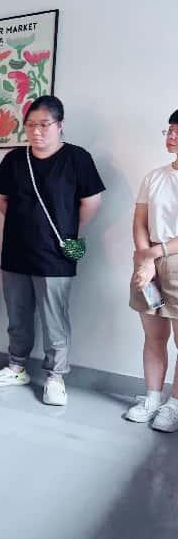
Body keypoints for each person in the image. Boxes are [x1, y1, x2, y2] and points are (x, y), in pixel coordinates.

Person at [0, 95, 105, 406]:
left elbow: (91, 202)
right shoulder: (15, 159)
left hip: (55, 256)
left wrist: (67, 231)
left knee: (54, 318)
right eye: (31, 125)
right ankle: (16, 366)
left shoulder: (77, 159)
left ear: (60, 125)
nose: (36, 132)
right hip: (16, 250)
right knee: (18, 314)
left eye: (44, 125)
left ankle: (55, 376)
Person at [126, 109, 178, 431]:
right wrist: (145, 259)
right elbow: (140, 222)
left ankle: (174, 406)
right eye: (169, 130)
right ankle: (153, 398)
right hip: (148, 258)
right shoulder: (154, 176)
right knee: (153, 335)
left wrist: (154, 254)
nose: (171, 136)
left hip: (172, 257)